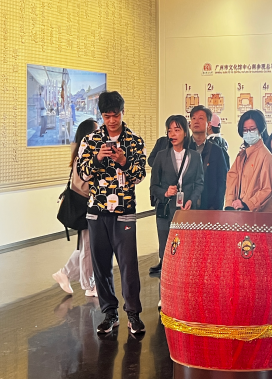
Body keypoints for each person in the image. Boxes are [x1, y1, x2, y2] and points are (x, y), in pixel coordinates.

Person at [77, 91, 147, 335]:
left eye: (115, 115)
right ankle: (109, 313)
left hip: (124, 211)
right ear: (101, 116)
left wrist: (124, 162)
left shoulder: (134, 140)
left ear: (122, 112)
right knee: (101, 265)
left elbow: (140, 175)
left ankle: (133, 313)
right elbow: (82, 173)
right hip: (97, 211)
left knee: (128, 264)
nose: (112, 120)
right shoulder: (90, 140)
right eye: (107, 116)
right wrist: (98, 158)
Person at [150, 115, 204, 277]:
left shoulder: (195, 157)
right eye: (169, 131)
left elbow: (200, 183)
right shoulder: (161, 156)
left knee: (186, 249)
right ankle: (165, 284)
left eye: (177, 130)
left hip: (186, 210)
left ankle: (184, 281)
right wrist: (165, 192)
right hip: (166, 210)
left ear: (185, 133)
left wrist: (191, 199)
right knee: (166, 248)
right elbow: (153, 186)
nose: (172, 134)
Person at [52, 118, 99, 298]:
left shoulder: (85, 153)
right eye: (96, 131)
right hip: (86, 206)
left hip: (89, 207)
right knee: (88, 247)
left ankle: (64, 273)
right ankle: (89, 285)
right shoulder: (83, 156)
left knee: (87, 246)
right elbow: (82, 185)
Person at [225, 109, 272, 212]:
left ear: (260, 129)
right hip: (240, 214)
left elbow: (267, 190)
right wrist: (230, 204)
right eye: (245, 130)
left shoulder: (266, 157)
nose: (248, 133)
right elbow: (231, 180)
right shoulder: (241, 156)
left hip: (258, 216)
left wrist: (246, 204)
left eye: (252, 129)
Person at [189, 105, 229, 211]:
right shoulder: (184, 148)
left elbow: (222, 180)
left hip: (209, 207)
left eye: (201, 118)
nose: (196, 121)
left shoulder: (216, 151)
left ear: (209, 124)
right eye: (193, 118)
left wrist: (217, 207)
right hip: (186, 206)